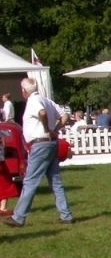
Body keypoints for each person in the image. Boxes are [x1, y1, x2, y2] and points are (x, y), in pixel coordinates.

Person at [2, 77, 72, 228]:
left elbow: (42, 114)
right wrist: (55, 130)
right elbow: (65, 115)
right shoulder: (46, 100)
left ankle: (19, 217)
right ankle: (66, 215)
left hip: (40, 144)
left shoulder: (34, 102)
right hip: (51, 144)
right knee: (55, 181)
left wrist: (47, 129)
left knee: (30, 181)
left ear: (24, 91)